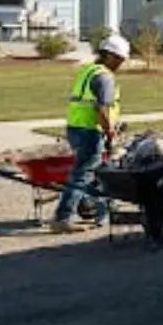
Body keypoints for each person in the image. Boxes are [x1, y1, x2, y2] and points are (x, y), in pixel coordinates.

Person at [48, 34, 130, 234]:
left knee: (92, 171)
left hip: (75, 127)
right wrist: (111, 133)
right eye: (119, 59)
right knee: (82, 175)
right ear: (110, 56)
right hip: (91, 131)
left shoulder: (88, 70)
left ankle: (94, 207)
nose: (120, 64)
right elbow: (101, 109)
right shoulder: (105, 77)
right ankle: (62, 218)